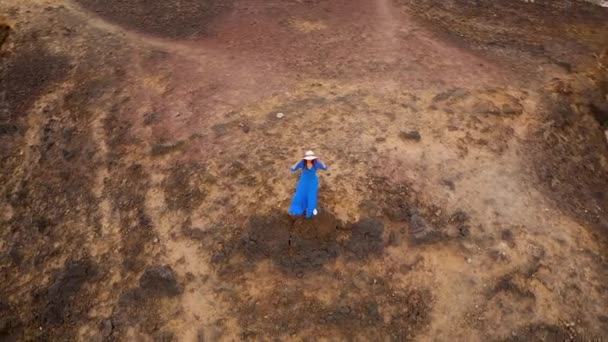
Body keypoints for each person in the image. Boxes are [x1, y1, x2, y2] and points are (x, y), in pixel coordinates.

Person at [289, 150, 329, 218]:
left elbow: (325, 168)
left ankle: (312, 208)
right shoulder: (302, 163)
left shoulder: (316, 164)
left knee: (311, 195)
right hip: (303, 182)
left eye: (311, 158)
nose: (310, 160)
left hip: (313, 182)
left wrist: (320, 160)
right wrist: (299, 161)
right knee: (300, 194)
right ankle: (302, 207)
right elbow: (293, 169)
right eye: (308, 158)